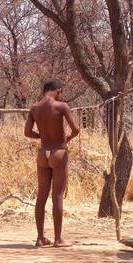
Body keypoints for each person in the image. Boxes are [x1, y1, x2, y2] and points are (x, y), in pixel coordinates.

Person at [24, 79, 80, 248]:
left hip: (42, 154)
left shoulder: (34, 108)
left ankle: (40, 238)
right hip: (58, 153)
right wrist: (65, 140)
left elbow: (27, 132)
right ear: (57, 90)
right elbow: (76, 129)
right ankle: (58, 239)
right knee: (57, 196)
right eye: (60, 92)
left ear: (44, 91)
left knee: (41, 196)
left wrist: (42, 137)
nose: (60, 95)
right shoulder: (61, 106)